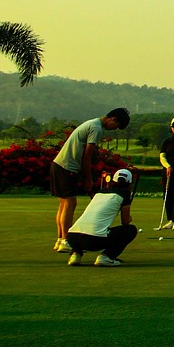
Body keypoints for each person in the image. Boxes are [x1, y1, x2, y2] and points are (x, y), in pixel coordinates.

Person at [51, 108, 131, 253]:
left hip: (59, 165)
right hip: (67, 167)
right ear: (113, 119)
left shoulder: (92, 123)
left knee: (64, 203)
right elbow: (87, 157)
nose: (114, 129)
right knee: (70, 203)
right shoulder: (96, 129)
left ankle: (60, 240)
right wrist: (88, 179)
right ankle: (65, 240)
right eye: (117, 126)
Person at [66, 168, 138, 266]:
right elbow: (125, 222)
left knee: (90, 228)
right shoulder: (125, 194)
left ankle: (76, 254)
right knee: (131, 230)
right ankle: (106, 257)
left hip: (72, 237)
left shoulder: (100, 192)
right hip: (94, 241)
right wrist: (129, 218)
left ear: (114, 180)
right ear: (129, 183)